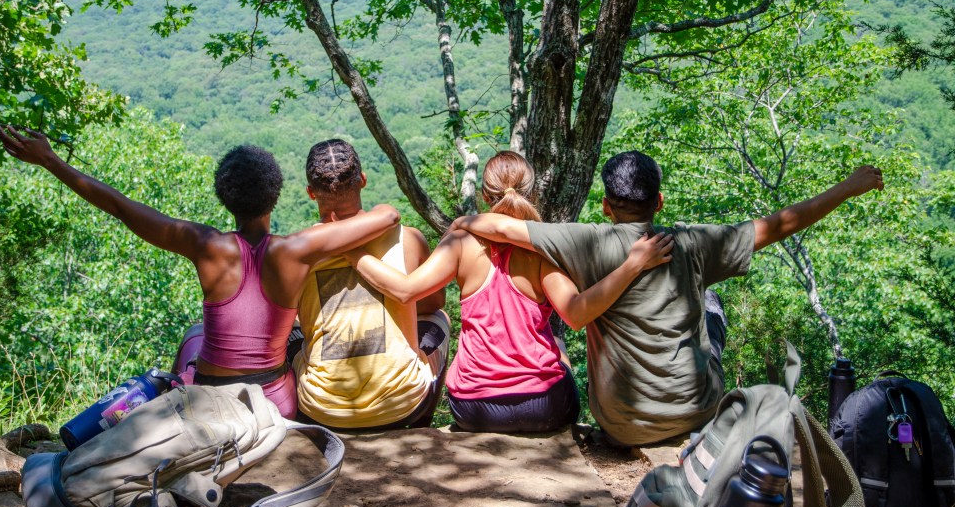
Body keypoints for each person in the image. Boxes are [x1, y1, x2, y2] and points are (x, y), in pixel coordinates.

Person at [454, 151, 885, 445]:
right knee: (711, 304)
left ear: (606, 206)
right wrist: (848, 186)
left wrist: (465, 220)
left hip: (621, 424)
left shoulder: (580, 242)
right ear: (658, 200)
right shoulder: (692, 243)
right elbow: (778, 225)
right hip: (695, 412)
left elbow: (505, 229)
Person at [0, 126, 399, 420]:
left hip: (209, 399)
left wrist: (49, 159)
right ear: (277, 192)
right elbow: (388, 214)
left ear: (225, 195)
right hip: (274, 403)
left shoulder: (204, 245)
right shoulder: (299, 249)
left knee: (195, 334)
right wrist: (328, 227)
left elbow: (118, 205)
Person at [346, 151, 674, 433]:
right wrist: (631, 267)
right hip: (545, 407)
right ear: (531, 192)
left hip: (475, 408)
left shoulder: (461, 242)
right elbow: (576, 315)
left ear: (485, 196)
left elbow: (405, 290)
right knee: (557, 344)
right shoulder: (544, 248)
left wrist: (353, 252)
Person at [292, 139, 450, 429]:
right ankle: (422, 423)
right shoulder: (408, 238)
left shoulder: (295, 252)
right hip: (402, 405)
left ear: (311, 193)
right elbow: (432, 303)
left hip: (322, 409)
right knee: (439, 318)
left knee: (290, 333)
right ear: (363, 180)